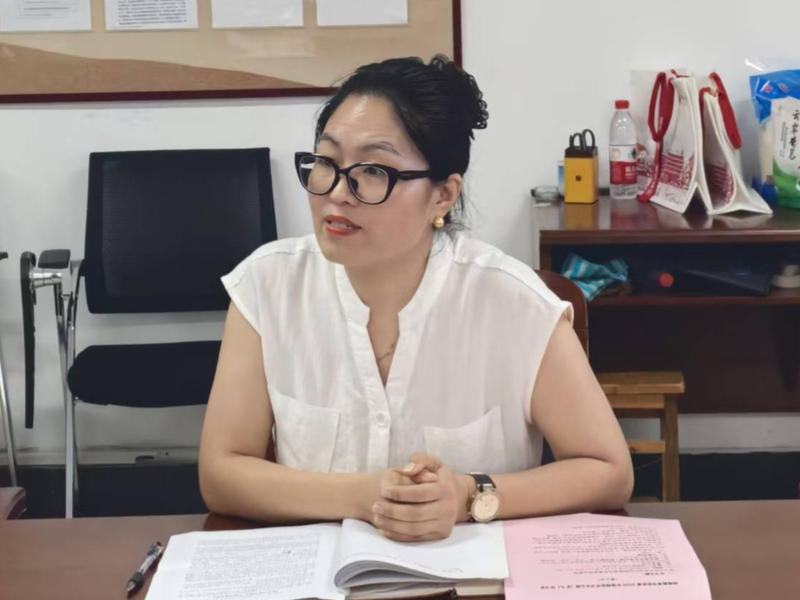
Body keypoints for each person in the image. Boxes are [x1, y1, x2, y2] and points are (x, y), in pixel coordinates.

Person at [199, 55, 633, 542]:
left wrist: (469, 495)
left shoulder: (514, 303)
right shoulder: (267, 286)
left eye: (372, 170)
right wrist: (364, 497)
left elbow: (609, 472)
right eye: (326, 162)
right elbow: (221, 473)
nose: (337, 192)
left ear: (443, 196)